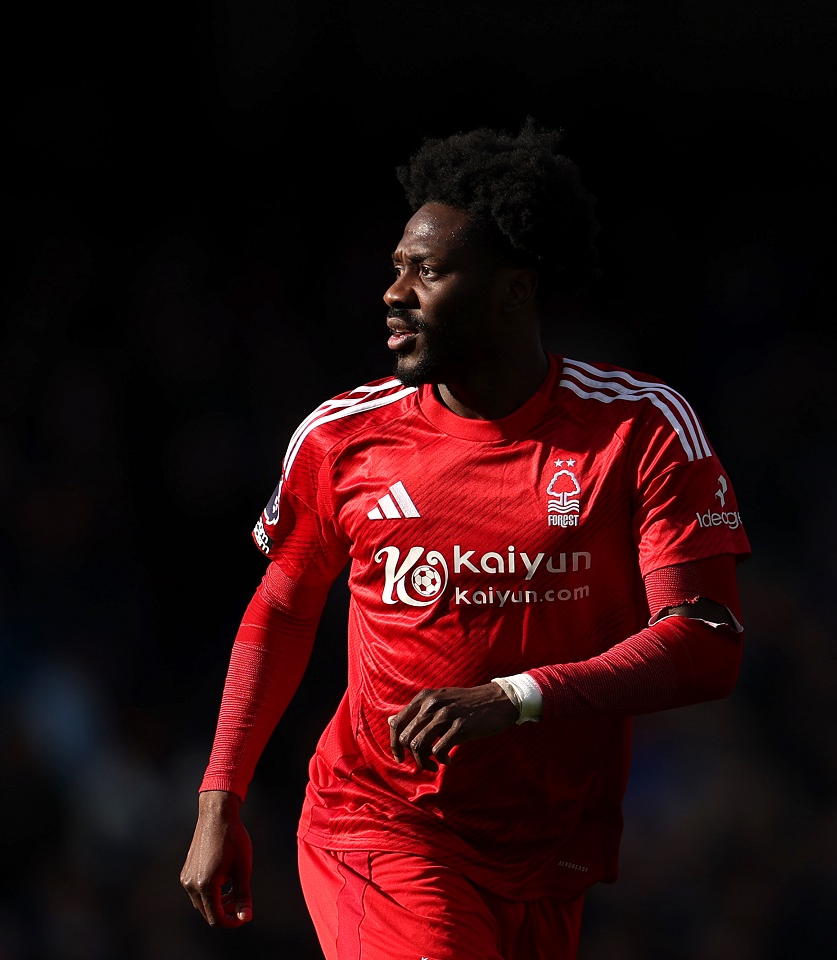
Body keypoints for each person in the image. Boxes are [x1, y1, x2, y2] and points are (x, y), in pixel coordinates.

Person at [181, 118, 751, 960]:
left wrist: (513, 697)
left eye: (428, 271)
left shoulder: (637, 430)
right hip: (381, 827)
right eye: (395, 269)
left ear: (512, 289)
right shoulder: (342, 439)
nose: (394, 293)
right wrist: (219, 796)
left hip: (546, 848)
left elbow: (706, 645)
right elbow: (283, 610)